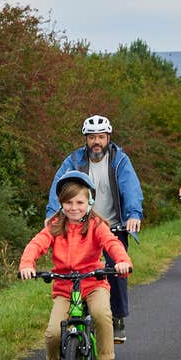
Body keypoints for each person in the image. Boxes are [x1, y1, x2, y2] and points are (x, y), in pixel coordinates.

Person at [21, 171, 132, 360]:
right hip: (64, 287)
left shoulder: (97, 224)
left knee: (102, 314)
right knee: (53, 332)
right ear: (61, 204)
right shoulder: (54, 225)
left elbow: (112, 243)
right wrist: (27, 263)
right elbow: (37, 243)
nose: (74, 207)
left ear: (89, 201)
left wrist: (122, 261)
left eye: (79, 202)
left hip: (93, 282)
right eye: (68, 202)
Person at [46, 115, 143, 344]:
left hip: (112, 226)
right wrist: (52, 214)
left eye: (100, 137)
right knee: (74, 271)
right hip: (79, 225)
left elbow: (131, 188)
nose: (96, 141)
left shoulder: (120, 160)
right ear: (85, 139)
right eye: (91, 137)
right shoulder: (74, 161)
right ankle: (75, 316)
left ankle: (117, 317)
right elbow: (58, 187)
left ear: (108, 137)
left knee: (115, 271)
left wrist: (133, 215)